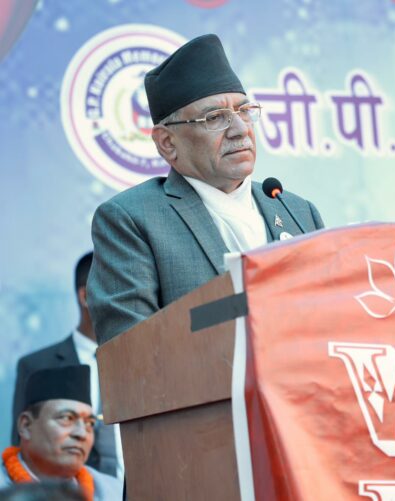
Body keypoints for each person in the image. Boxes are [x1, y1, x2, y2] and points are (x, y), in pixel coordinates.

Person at [87, 34, 324, 345]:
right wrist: (248, 304)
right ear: (167, 143)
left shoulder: (297, 212)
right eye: (215, 118)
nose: (240, 129)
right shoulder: (133, 219)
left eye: (244, 111)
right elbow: (132, 348)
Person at [10, 253, 122, 481]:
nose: (125, 301)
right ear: (86, 296)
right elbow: (22, 448)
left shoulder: (140, 362)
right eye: (116, 291)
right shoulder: (37, 365)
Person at [1, 366, 122, 501]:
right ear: (26, 425)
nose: (82, 434)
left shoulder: (115, 492)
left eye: (89, 423)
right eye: (67, 418)